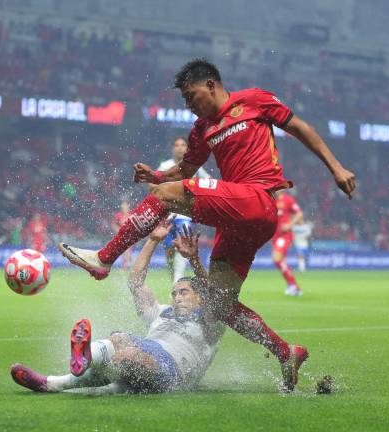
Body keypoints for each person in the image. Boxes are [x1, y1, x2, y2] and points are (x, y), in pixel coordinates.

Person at [58, 59, 356, 392]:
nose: (188, 105)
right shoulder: (201, 130)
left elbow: (300, 127)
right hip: (242, 220)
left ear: (211, 85)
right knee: (218, 305)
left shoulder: (253, 100)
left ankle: (105, 259)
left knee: (164, 197)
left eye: (190, 96)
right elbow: (184, 171)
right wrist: (155, 176)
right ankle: (285, 352)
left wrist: (336, 168)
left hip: (258, 198)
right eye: (184, 100)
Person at [11, 219, 224, 394]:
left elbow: (213, 295)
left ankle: (61, 380)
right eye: (174, 293)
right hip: (149, 349)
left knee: (126, 357)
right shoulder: (162, 312)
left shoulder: (210, 321)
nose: (177, 297)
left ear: (200, 298)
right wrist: (152, 240)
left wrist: (194, 259)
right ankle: (84, 361)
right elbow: (136, 283)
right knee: (120, 339)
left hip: (175, 371)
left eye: (183, 292)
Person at [157, 137, 211, 283]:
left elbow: (209, 181)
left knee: (183, 241)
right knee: (169, 251)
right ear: (172, 148)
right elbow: (153, 186)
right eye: (177, 145)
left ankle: (177, 281)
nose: (180, 148)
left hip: (184, 213)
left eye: (183, 145)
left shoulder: (195, 167)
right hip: (167, 213)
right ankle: (173, 277)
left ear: (187, 149)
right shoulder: (165, 166)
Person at [272, 190, 303, 296]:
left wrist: (290, 225)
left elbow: (299, 213)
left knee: (276, 259)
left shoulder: (287, 200)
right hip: (275, 236)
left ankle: (293, 285)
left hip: (284, 235)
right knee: (281, 262)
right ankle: (293, 286)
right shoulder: (271, 199)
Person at [111, 200, 134, 268]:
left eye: (124, 205)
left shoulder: (132, 215)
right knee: (125, 251)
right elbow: (113, 224)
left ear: (128, 206)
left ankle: (126, 266)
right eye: (122, 206)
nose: (123, 207)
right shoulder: (119, 215)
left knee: (127, 250)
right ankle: (129, 264)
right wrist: (118, 230)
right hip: (121, 237)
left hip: (130, 237)